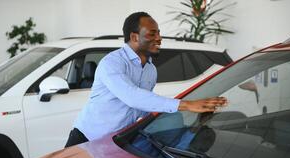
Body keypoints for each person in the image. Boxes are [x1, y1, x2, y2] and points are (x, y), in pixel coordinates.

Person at [64, 11, 227, 147]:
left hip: (115, 144)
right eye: (152, 33)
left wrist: (193, 121)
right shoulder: (112, 63)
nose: (159, 38)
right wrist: (187, 105)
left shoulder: (150, 70)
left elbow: (141, 108)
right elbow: (132, 97)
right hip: (86, 140)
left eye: (159, 33)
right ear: (134, 37)